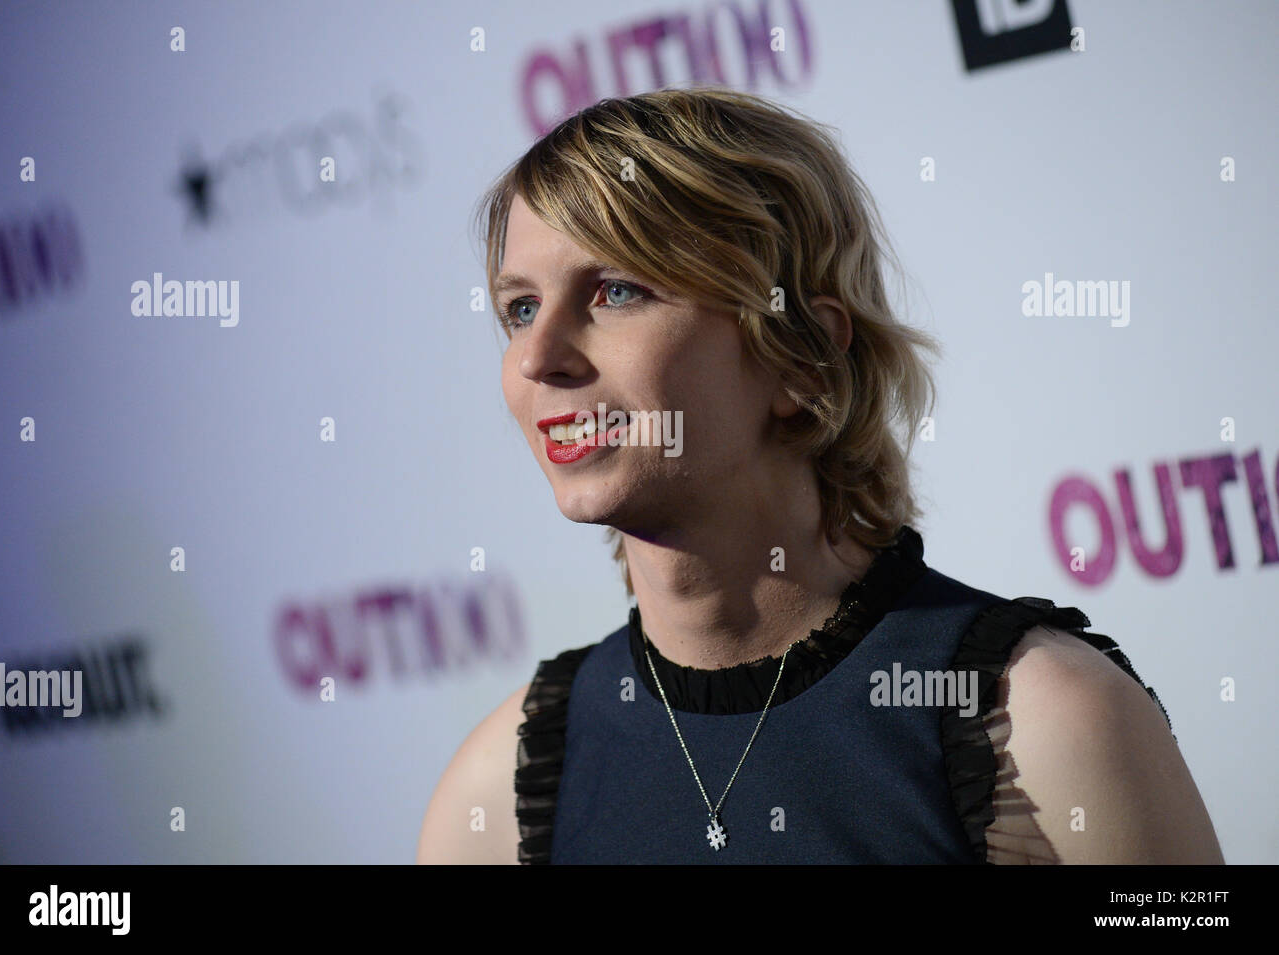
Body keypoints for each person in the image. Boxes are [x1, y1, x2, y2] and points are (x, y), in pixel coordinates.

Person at [416, 87, 1223, 865]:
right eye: (519, 308)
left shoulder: (1042, 721)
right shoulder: (497, 792)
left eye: (617, 290)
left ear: (798, 357)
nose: (535, 356)